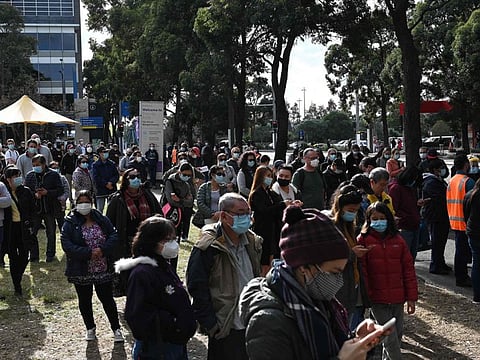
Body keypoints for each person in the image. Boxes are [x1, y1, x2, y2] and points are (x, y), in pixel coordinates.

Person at [239, 206, 387, 360]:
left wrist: (357, 340)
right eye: (334, 272)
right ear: (304, 268)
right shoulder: (268, 322)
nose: (339, 281)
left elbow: (328, 346)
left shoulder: (314, 298)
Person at [186, 193, 262, 360]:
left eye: (248, 212)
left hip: (250, 322)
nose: (247, 217)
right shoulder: (208, 246)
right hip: (225, 324)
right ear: (224, 216)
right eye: (241, 213)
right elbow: (197, 286)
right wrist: (211, 325)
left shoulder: (252, 241)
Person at [115, 216, 197, 359]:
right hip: (157, 347)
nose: (172, 244)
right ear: (151, 242)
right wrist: (173, 324)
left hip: (173, 344)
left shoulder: (163, 265)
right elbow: (137, 315)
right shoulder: (142, 273)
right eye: (166, 240)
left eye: (173, 239)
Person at [60, 190, 124, 343]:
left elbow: (113, 235)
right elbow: (66, 244)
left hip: (102, 267)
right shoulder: (70, 221)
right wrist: (88, 253)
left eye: (86, 201)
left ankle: (116, 328)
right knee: (84, 300)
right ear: (76, 203)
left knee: (107, 299)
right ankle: (90, 328)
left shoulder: (100, 218)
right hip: (81, 269)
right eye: (80, 202)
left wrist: (102, 250)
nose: (83, 205)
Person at [358, 201, 418, 360]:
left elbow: (408, 269)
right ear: (368, 220)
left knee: (397, 335)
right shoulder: (363, 240)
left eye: (382, 218)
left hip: (397, 298)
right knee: (390, 338)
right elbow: (362, 272)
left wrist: (411, 297)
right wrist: (367, 296)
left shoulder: (398, 241)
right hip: (377, 299)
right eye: (374, 218)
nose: (378, 222)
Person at [330, 185, 371, 330]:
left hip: (351, 281)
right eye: (350, 211)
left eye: (355, 211)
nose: (353, 214)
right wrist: (352, 253)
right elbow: (331, 256)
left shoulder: (349, 226)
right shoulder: (332, 226)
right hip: (338, 285)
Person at [249, 166, 297, 275]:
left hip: (273, 230)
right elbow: (264, 211)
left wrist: (290, 204)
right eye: (267, 176)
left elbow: (279, 205)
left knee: (272, 257)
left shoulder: (270, 193)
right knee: (264, 260)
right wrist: (282, 204)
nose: (270, 178)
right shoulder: (257, 194)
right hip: (263, 229)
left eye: (271, 176)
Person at [106, 168, 162, 260]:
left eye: (138, 176)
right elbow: (109, 222)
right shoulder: (118, 199)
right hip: (127, 241)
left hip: (147, 238)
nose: (136, 179)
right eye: (132, 177)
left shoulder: (147, 195)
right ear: (126, 180)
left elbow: (158, 213)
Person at [3, 165, 35, 296]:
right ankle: (17, 285)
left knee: (24, 256)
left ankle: (18, 275)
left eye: (18, 176)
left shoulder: (26, 191)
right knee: (12, 257)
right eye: (15, 177)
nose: (18, 179)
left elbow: (33, 209)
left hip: (24, 227)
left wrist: (33, 225)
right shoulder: (4, 193)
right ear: (8, 179)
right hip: (10, 229)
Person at [24, 154, 63, 262]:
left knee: (51, 232)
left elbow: (60, 190)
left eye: (37, 165)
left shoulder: (53, 175)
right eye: (33, 165)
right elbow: (26, 192)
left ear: (44, 164)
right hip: (35, 210)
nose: (35, 167)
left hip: (49, 208)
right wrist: (34, 195)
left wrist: (48, 192)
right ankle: (33, 255)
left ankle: (50, 254)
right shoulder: (30, 175)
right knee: (32, 232)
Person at [446, 154, 475, 287]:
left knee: (460, 251)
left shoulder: (452, 181)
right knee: (465, 252)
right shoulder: (467, 182)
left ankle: (461, 276)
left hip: (454, 220)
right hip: (466, 221)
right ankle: (462, 278)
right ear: (465, 165)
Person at [422, 158, 451, 275]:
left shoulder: (438, 181)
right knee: (437, 242)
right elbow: (440, 198)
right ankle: (436, 265)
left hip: (441, 215)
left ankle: (440, 262)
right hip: (436, 216)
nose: (443, 170)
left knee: (441, 241)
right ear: (435, 170)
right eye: (441, 168)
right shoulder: (431, 182)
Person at [388, 166, 422, 259]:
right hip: (404, 226)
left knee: (412, 255)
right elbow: (394, 209)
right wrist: (407, 217)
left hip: (414, 224)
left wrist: (417, 204)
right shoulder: (396, 188)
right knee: (404, 255)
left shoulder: (410, 188)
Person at [164, 162, 195, 246]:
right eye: (185, 174)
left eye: (189, 175)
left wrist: (180, 200)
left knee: (176, 239)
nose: (187, 177)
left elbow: (190, 202)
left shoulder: (186, 184)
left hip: (181, 215)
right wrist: (184, 200)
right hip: (169, 213)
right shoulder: (170, 181)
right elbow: (171, 201)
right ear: (179, 172)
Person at [464, 178, 480, 303]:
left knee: (476, 263)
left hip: (472, 231)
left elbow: (466, 214)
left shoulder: (469, 195)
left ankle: (477, 295)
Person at [91, 146, 119, 213]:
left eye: (107, 152)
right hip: (101, 190)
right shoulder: (95, 165)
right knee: (100, 209)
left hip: (111, 189)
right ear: (100, 154)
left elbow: (116, 175)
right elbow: (96, 177)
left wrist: (111, 182)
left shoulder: (111, 163)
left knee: (112, 209)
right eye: (104, 152)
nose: (106, 153)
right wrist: (106, 184)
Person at [50, 161, 70, 231]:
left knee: (62, 223)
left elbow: (67, 190)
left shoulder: (62, 178)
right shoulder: (47, 179)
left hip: (61, 204)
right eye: (53, 168)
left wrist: (63, 198)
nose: (55, 169)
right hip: (51, 205)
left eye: (57, 168)